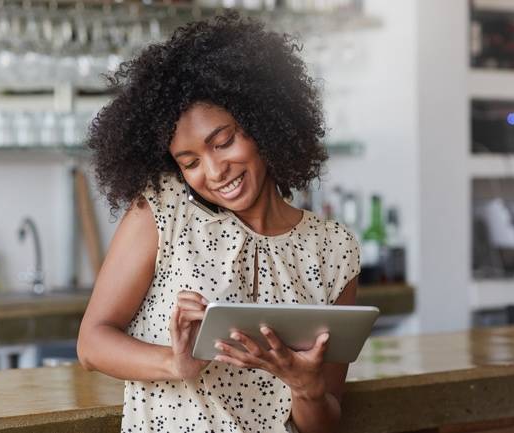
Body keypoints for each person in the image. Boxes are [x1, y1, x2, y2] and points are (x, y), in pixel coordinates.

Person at [77, 11, 360, 433]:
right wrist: (174, 363)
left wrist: (307, 389)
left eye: (223, 142)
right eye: (189, 162)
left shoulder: (333, 249)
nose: (213, 172)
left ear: (264, 122)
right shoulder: (164, 209)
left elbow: (323, 423)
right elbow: (91, 343)